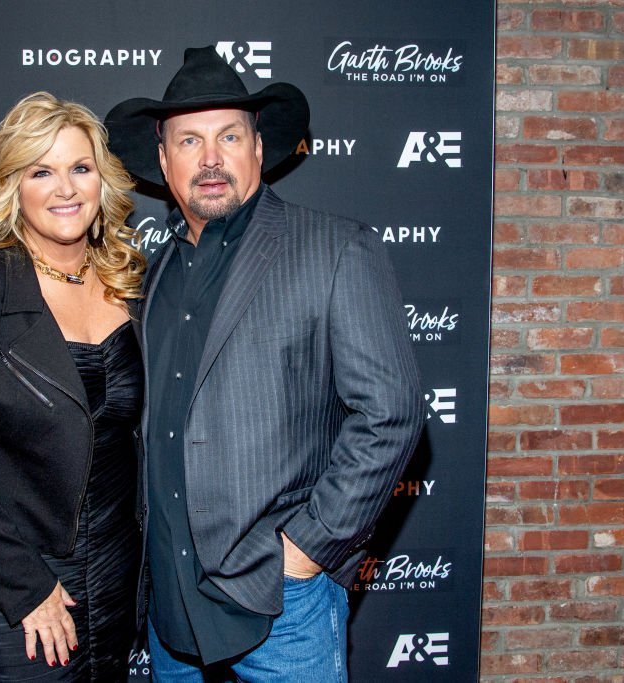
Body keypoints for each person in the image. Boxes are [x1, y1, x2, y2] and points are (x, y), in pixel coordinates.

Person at [104, 47, 424, 681]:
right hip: (170, 606)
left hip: (282, 607)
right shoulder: (152, 275)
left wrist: (309, 548)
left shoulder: (334, 248)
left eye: (229, 135)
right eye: (189, 141)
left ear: (258, 147)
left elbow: (392, 410)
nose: (211, 157)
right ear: (165, 163)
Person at [0, 91, 147, 681]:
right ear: (13, 185)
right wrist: (26, 589)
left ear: (103, 181)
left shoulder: (132, 283)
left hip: (115, 570)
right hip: (9, 583)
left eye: (80, 168)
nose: (65, 188)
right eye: (42, 171)